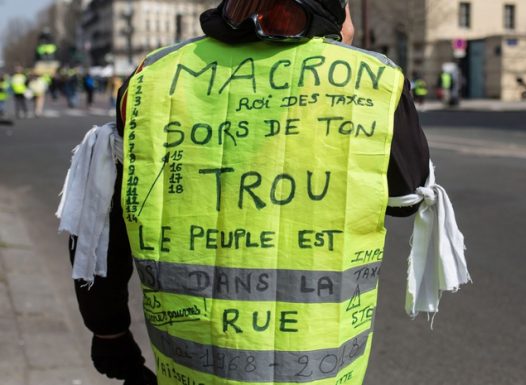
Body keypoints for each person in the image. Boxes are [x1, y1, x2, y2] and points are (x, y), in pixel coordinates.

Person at [59, 1, 468, 385]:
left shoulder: (154, 75)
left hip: (191, 366)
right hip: (322, 369)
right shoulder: (373, 81)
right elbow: (407, 198)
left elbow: (98, 223)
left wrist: (108, 332)